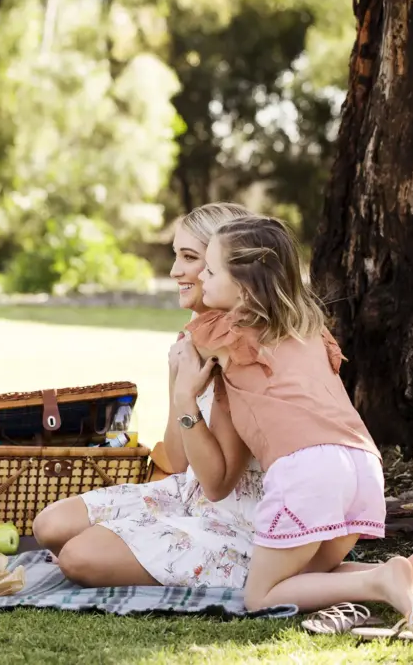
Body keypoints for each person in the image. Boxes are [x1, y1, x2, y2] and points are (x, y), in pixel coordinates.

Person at [179, 214, 413, 636]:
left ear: (243, 286)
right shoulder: (309, 326)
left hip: (306, 469)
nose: (200, 277)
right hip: (361, 463)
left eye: (210, 269)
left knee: (260, 594)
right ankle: (411, 573)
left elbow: (186, 355)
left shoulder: (216, 330)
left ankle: (378, 582)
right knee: (310, 570)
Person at [32, 202, 265, 588]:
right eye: (177, 255)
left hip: (237, 516)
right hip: (188, 491)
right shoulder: (191, 338)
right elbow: (175, 459)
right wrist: (178, 380)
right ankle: (142, 542)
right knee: (50, 525)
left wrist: (189, 399)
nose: (175, 271)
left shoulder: (238, 348)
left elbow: (219, 484)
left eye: (189, 258)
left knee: (77, 558)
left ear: (225, 268)